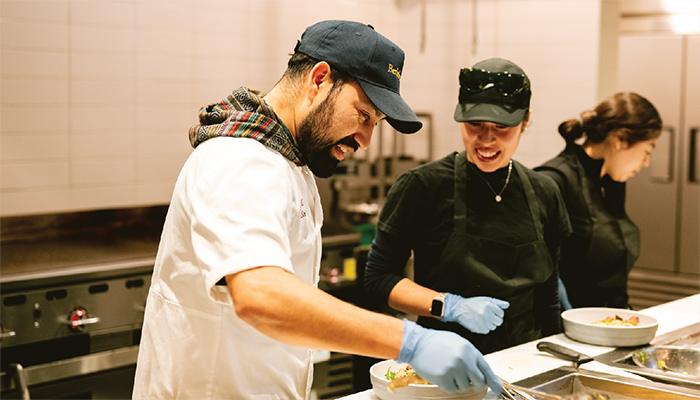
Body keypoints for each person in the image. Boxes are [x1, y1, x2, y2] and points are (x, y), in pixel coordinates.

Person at [132, 20, 503, 399]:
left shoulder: (291, 164)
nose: (366, 140)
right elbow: (260, 295)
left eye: (376, 124)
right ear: (319, 78)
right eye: (363, 115)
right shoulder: (238, 159)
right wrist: (409, 341)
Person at [363, 58, 572, 355]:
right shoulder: (422, 186)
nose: (486, 139)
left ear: (526, 121)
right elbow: (379, 279)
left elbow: (547, 297)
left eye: (502, 126)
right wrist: (449, 306)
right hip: (445, 358)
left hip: (526, 357)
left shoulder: (545, 192)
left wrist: (557, 365)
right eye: (475, 124)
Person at [535, 92, 662, 310]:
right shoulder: (554, 180)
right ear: (620, 140)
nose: (646, 163)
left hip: (610, 322)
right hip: (569, 329)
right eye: (646, 151)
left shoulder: (610, 181)